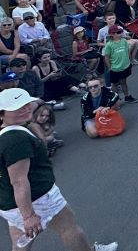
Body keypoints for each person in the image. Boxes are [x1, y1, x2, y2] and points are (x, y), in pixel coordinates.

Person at [0, 88, 119, 251]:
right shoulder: (15, 139)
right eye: (17, 108)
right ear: (2, 114)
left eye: (26, 105)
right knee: (68, 228)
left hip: (10, 203)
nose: (25, 109)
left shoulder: (8, 132)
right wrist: (28, 216)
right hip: (38, 197)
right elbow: (19, 181)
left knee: (21, 242)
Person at [103, 26, 137, 103]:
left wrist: (128, 60)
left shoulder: (124, 41)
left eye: (120, 32)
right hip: (115, 68)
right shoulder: (109, 45)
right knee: (114, 84)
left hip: (124, 66)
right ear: (112, 34)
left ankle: (127, 96)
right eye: (118, 32)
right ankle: (115, 99)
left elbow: (127, 51)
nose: (121, 33)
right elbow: (107, 57)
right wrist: (110, 67)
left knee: (124, 82)